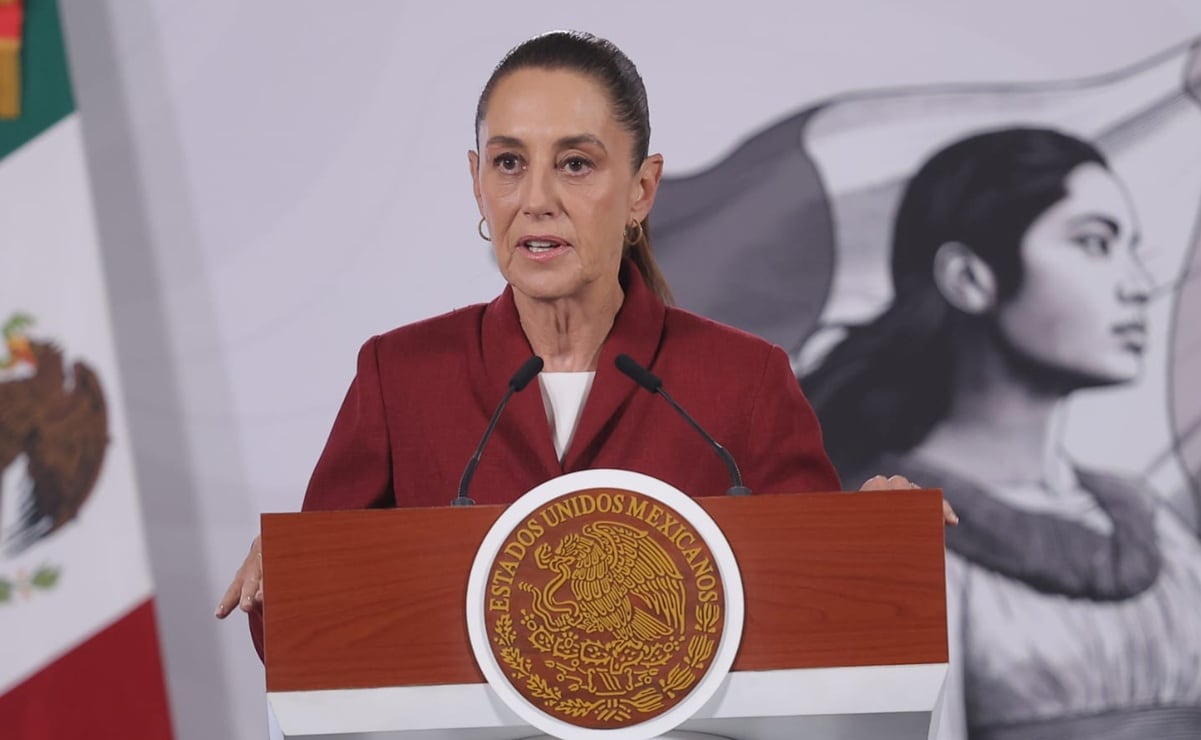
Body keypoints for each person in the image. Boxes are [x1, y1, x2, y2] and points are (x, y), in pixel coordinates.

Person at [214, 31, 953, 650]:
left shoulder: (743, 380)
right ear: (476, 181)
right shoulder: (401, 376)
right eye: (509, 163)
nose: (536, 200)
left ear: (641, 190)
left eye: (575, 164)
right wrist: (286, 577)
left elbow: (821, 618)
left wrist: (871, 538)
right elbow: (304, 637)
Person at [804, 127, 1201, 739]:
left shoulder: (1155, 525)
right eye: (1095, 243)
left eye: (1131, 249)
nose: (1140, 285)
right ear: (969, 277)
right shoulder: (886, 533)